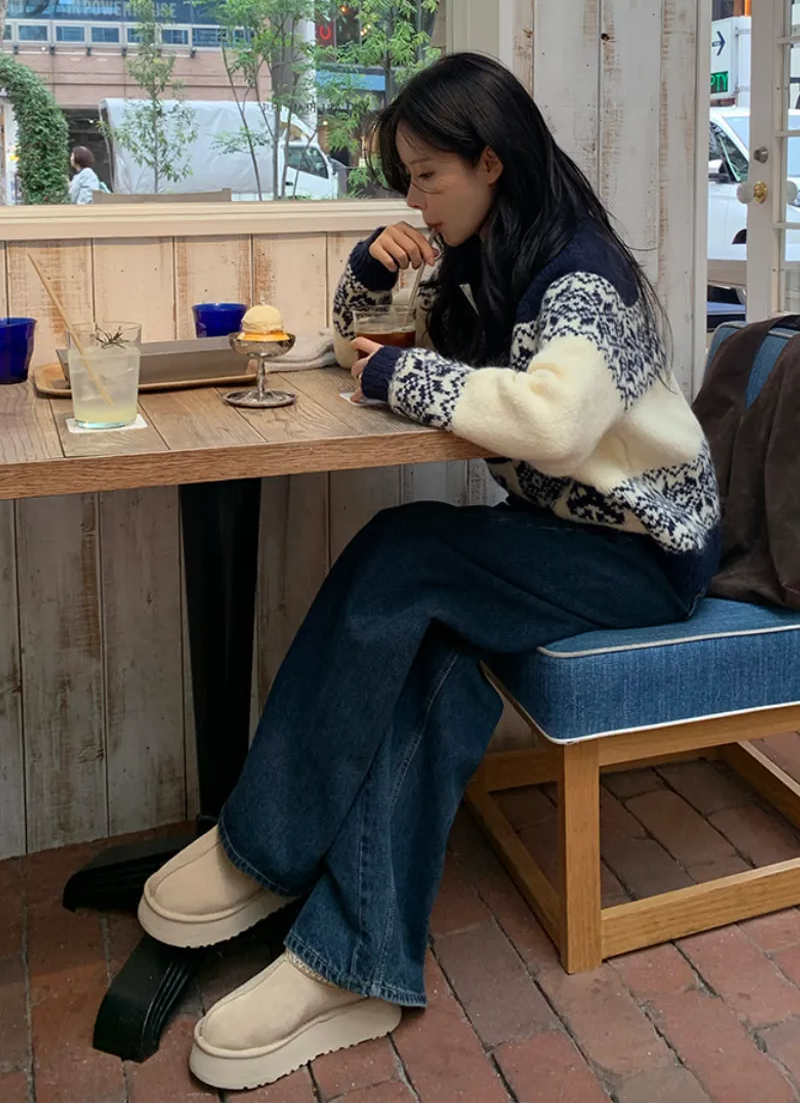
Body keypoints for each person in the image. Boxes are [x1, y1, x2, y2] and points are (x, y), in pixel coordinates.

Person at [137, 53, 721, 1091]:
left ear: (490, 161)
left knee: (402, 552)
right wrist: (370, 270)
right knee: (434, 647)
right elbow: (359, 351)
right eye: (404, 181)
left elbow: (553, 422)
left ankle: (263, 846)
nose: (414, 199)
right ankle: (352, 963)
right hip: (564, 538)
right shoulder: (484, 256)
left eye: (425, 176)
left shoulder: (581, 272)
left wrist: (406, 374)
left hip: (642, 553)